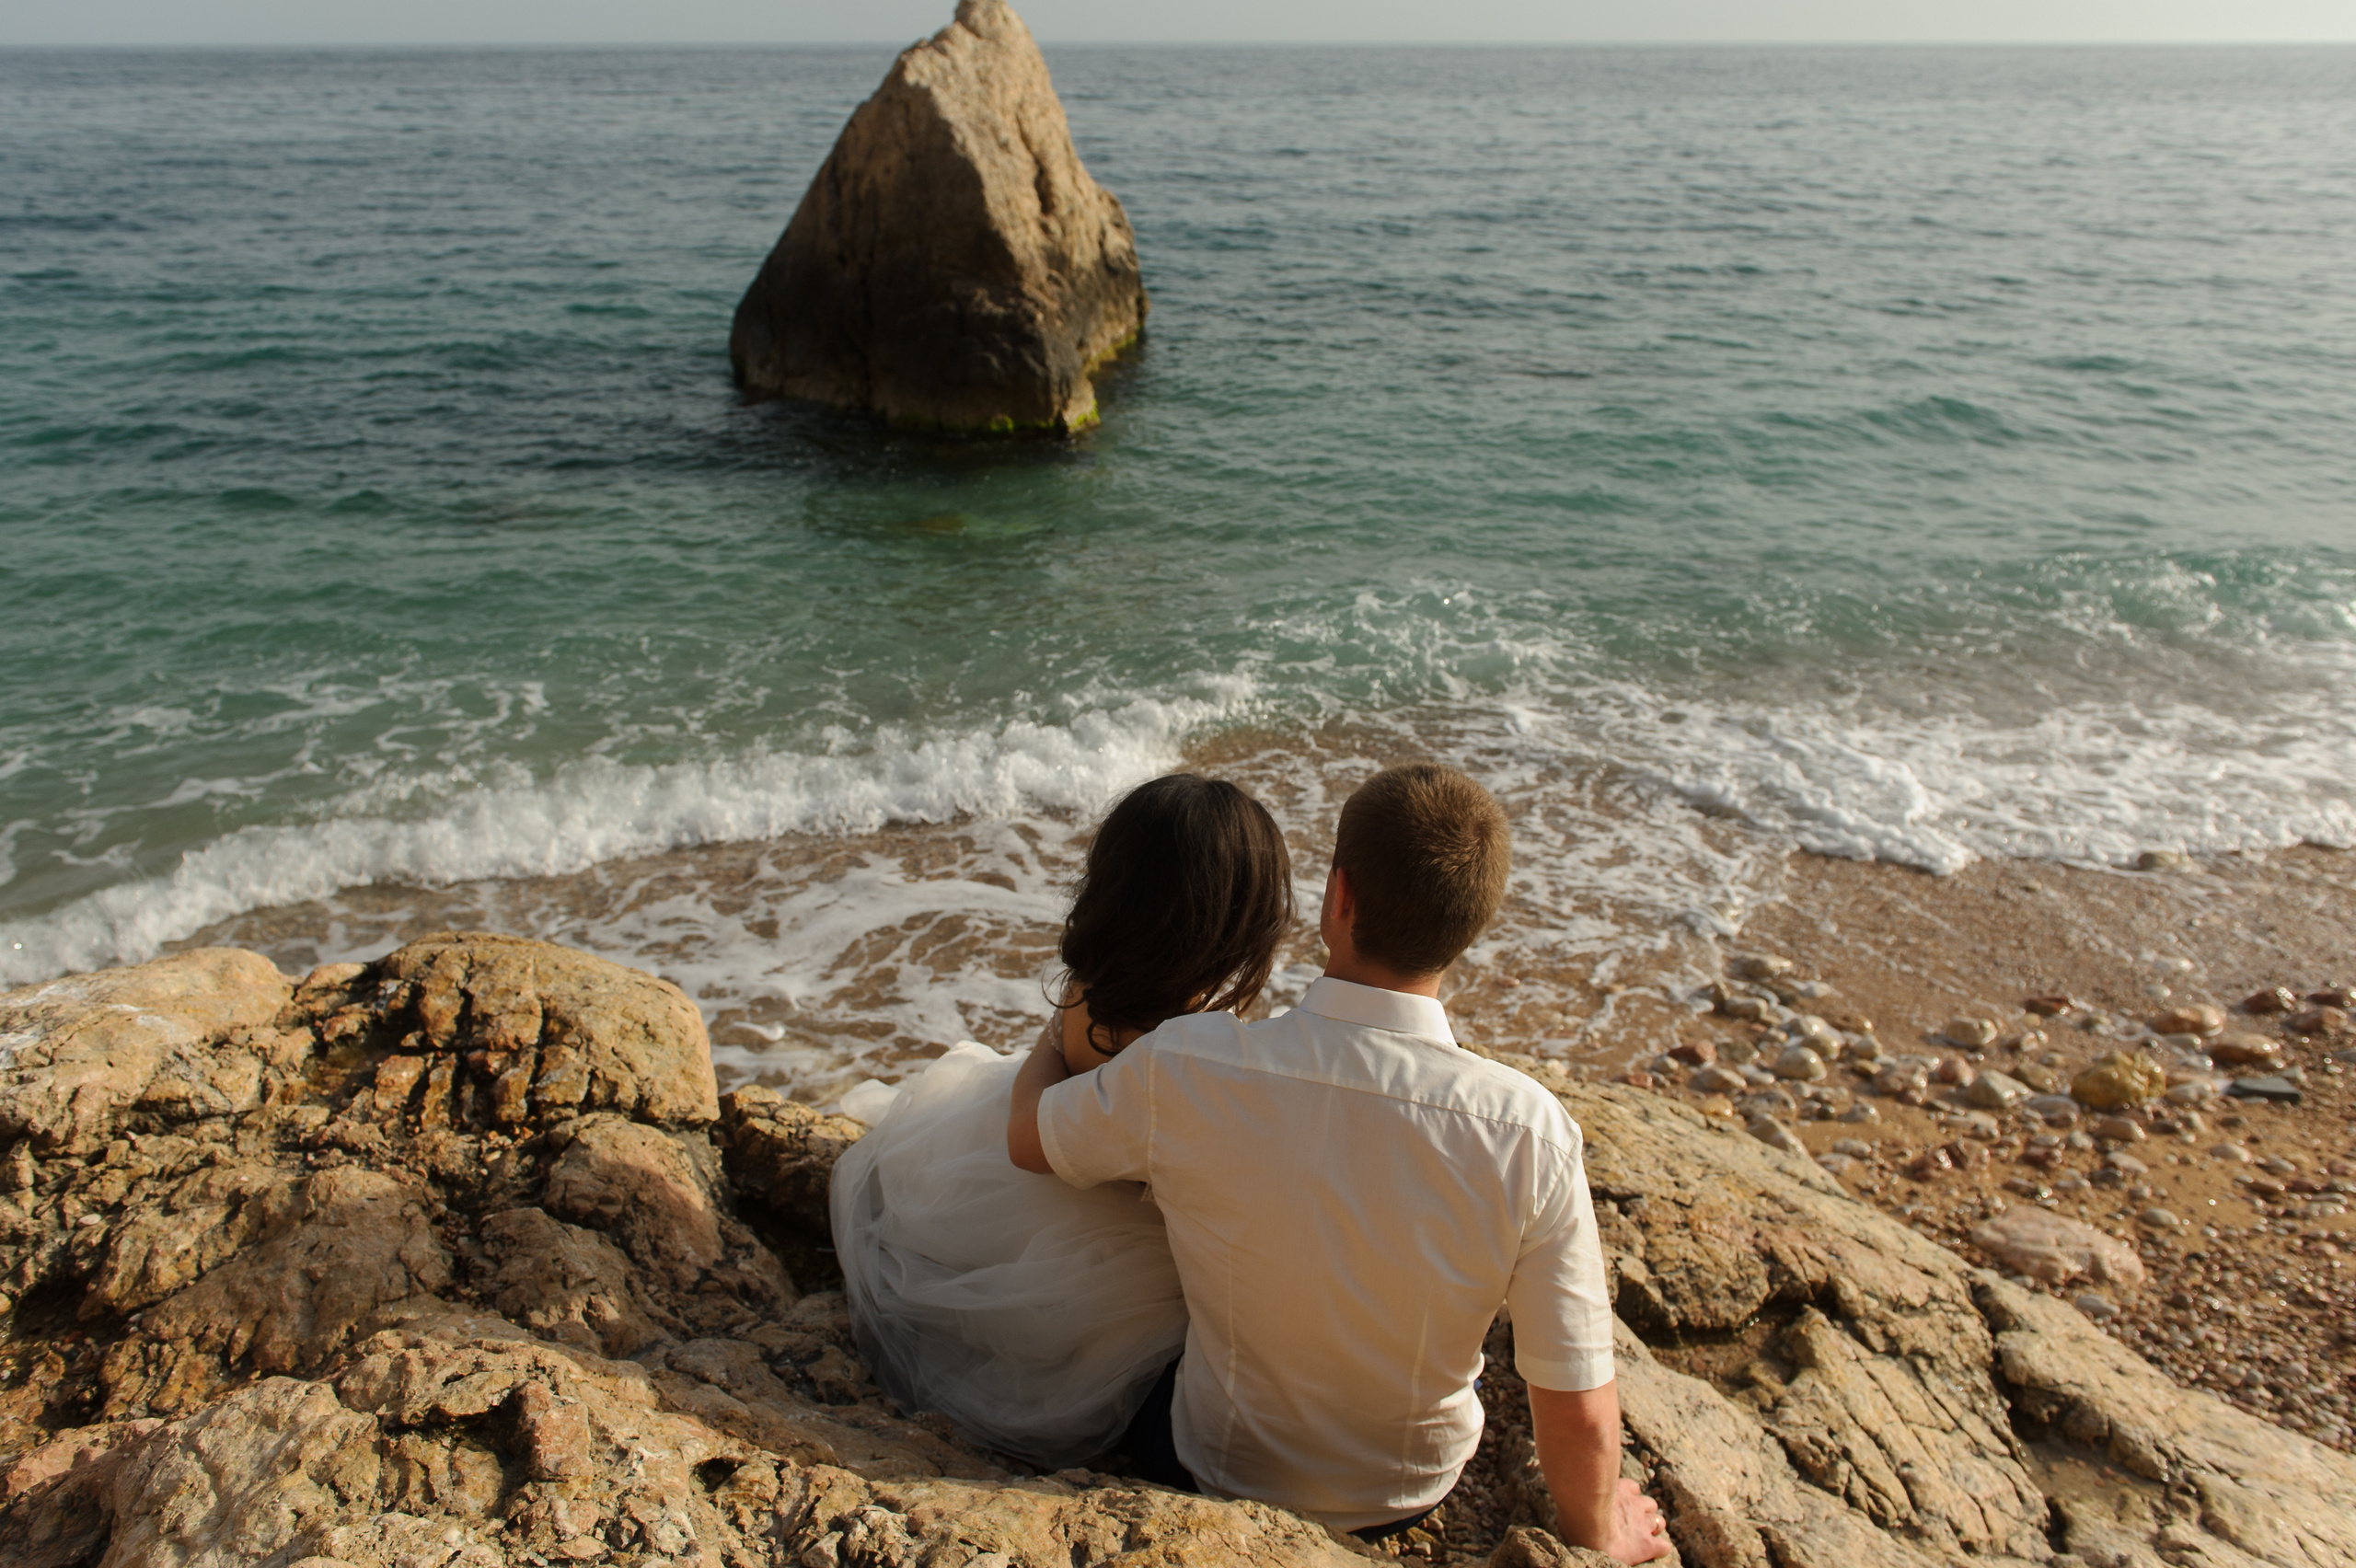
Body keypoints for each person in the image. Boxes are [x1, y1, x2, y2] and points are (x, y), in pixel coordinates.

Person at [1009, 762, 1669, 1562]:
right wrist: (1600, 1536)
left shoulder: (1189, 1066)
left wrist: (1052, 1039)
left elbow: (1035, 1141)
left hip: (1208, 1466)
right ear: (1471, 927)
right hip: (1406, 1491)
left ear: (1337, 899)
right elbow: (1578, 1409)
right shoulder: (1530, 1131)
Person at [828, 772, 1293, 1468]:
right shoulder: (1183, 1057)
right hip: (1098, 1271)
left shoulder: (1092, 992)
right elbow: (1038, 1143)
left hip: (1024, 1203)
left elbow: (1042, 1100)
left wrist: (1048, 1041)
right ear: (1233, 923)